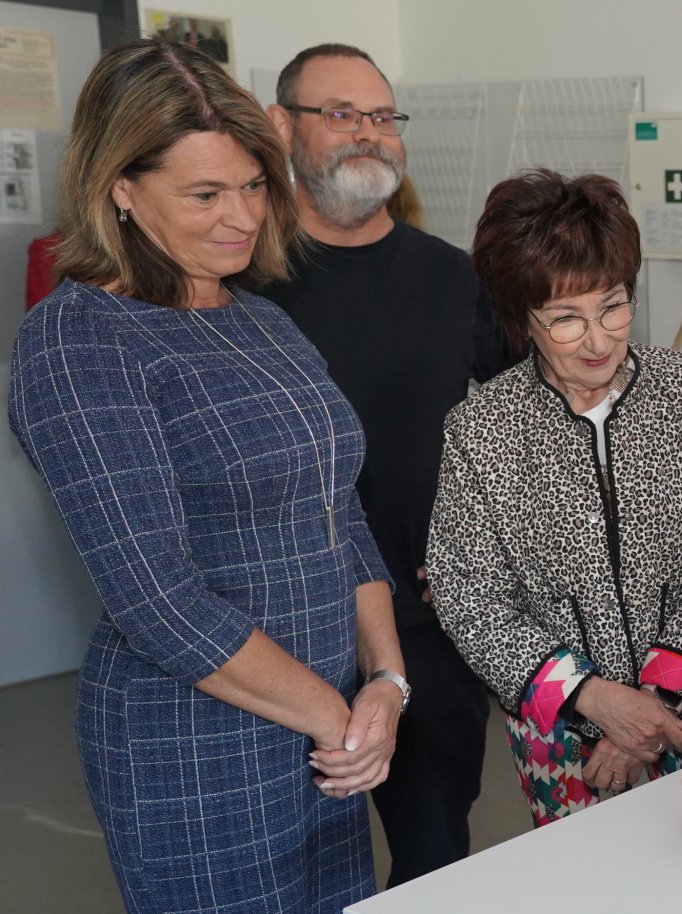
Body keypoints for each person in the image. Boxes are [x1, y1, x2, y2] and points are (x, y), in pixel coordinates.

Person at [6, 39, 402, 913]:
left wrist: (386, 682)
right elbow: (156, 597)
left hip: (325, 739)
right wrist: (338, 719)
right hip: (196, 752)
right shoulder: (79, 341)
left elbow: (342, 516)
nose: (242, 216)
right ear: (120, 187)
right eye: (205, 194)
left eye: (255, 185)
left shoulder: (261, 319)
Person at [427, 168, 682, 826]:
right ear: (522, 318)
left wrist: (654, 705)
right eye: (565, 318)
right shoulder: (483, 431)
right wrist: (593, 699)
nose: (598, 338)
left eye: (612, 305)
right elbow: (469, 597)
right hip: (567, 742)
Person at [257, 42, 506, 888]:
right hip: (277, 642)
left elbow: (526, 435)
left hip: (430, 636)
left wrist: (496, 552)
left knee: (435, 869)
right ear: (280, 126)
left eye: (382, 117)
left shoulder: (457, 281)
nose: (369, 134)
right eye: (341, 115)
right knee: (293, 877)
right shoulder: (239, 288)